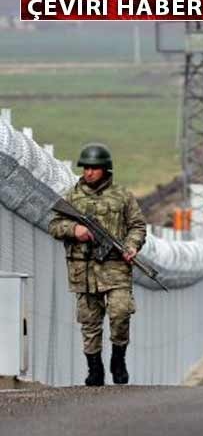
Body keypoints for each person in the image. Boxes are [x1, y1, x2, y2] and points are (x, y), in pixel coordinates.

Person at [49, 143, 147, 386]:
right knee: (90, 322)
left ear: (105, 169)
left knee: (121, 312)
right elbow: (54, 225)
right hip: (83, 270)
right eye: (86, 168)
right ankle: (95, 369)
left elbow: (138, 225)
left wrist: (132, 245)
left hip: (115, 267)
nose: (89, 172)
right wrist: (75, 229)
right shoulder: (71, 196)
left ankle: (118, 358)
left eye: (94, 168)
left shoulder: (123, 196)